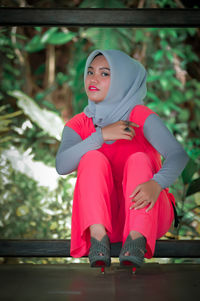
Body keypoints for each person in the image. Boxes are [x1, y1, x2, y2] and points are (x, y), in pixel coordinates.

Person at [56, 49, 189, 268]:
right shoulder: (78, 124)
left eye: (105, 74)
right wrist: (100, 136)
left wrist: (157, 183)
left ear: (123, 81)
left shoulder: (139, 116)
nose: (93, 79)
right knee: (91, 159)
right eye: (90, 72)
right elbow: (62, 166)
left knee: (138, 159)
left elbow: (178, 155)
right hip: (105, 219)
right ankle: (98, 241)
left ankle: (136, 240)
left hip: (149, 212)